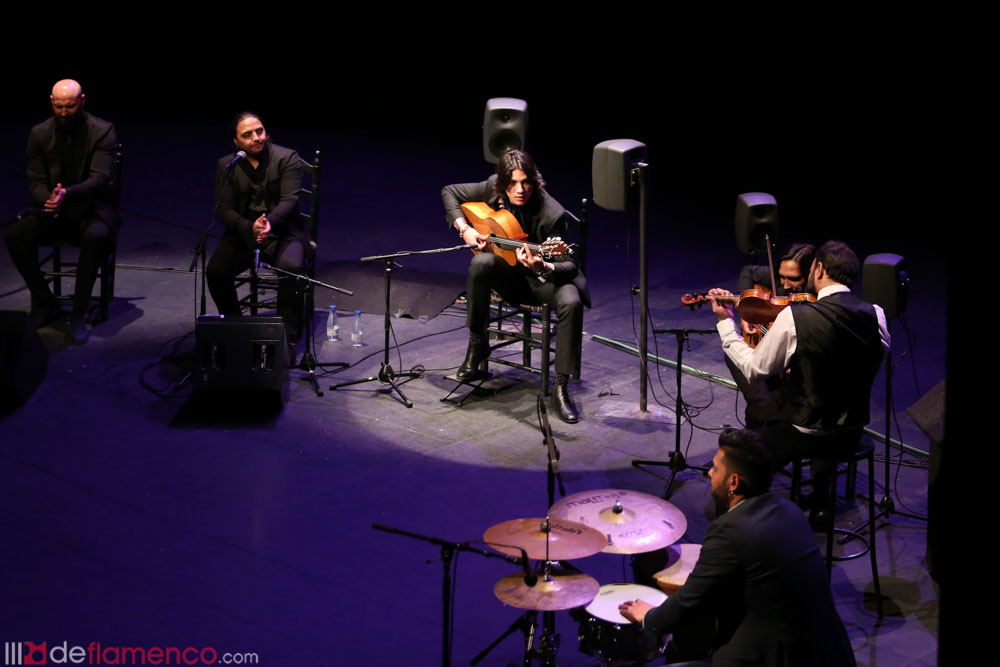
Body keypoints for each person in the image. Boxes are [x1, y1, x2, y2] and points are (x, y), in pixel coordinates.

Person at [619, 429, 857, 666]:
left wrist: (649, 617)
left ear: (733, 482)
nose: (709, 473)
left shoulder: (729, 530)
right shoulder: (790, 511)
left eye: (715, 468)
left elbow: (690, 602)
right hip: (831, 651)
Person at [709, 240, 888, 526]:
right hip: (850, 434)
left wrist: (725, 323)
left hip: (806, 432)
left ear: (819, 269)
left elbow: (753, 369)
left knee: (744, 461)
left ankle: (734, 526)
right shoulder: (876, 314)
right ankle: (821, 501)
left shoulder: (796, 317)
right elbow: (872, 364)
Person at [441, 150, 589, 423]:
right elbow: (449, 191)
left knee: (571, 300)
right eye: (512, 184)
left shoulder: (552, 213)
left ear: (535, 181)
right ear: (502, 184)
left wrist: (542, 266)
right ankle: (477, 345)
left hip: (543, 282)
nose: (520, 190)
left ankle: (560, 387)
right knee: (481, 262)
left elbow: (569, 265)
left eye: (526, 182)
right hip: (509, 278)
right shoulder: (492, 187)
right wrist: (466, 229)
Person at [4, 79, 118, 344]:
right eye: (59, 107)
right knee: (14, 235)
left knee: (96, 237)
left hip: (91, 208)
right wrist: (49, 200)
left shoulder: (103, 131)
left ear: (82, 101)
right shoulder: (39, 133)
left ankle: (78, 313)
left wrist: (66, 194)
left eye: (70, 106)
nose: (64, 112)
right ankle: (45, 301)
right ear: (51, 102)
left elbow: (99, 178)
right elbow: (35, 180)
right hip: (54, 209)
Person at [206, 112, 305, 361]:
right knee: (216, 271)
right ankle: (236, 329)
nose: (256, 137)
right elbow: (223, 209)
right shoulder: (227, 165)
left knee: (292, 268)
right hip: (244, 234)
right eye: (247, 135)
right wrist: (249, 227)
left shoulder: (286, 157)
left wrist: (269, 223)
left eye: (259, 131)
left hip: (282, 232)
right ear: (236, 141)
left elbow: (290, 200)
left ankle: (286, 337)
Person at [727, 243, 815, 429]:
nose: (785, 285)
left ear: (811, 274)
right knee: (733, 354)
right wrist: (747, 312)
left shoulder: (819, 301)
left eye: (794, 279)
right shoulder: (778, 278)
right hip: (772, 354)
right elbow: (748, 271)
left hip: (797, 372)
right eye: (782, 277)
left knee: (763, 406)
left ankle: (762, 429)